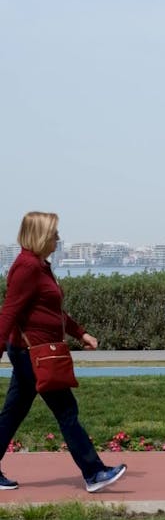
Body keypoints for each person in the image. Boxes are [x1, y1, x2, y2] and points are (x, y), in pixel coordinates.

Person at [0, 211, 127, 493]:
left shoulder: (40, 266)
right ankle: (94, 473)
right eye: (54, 233)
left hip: (35, 353)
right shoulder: (27, 267)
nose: (58, 238)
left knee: (13, 413)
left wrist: (80, 332)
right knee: (66, 410)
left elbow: (53, 311)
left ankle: (95, 472)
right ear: (41, 235)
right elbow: (9, 312)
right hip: (31, 354)